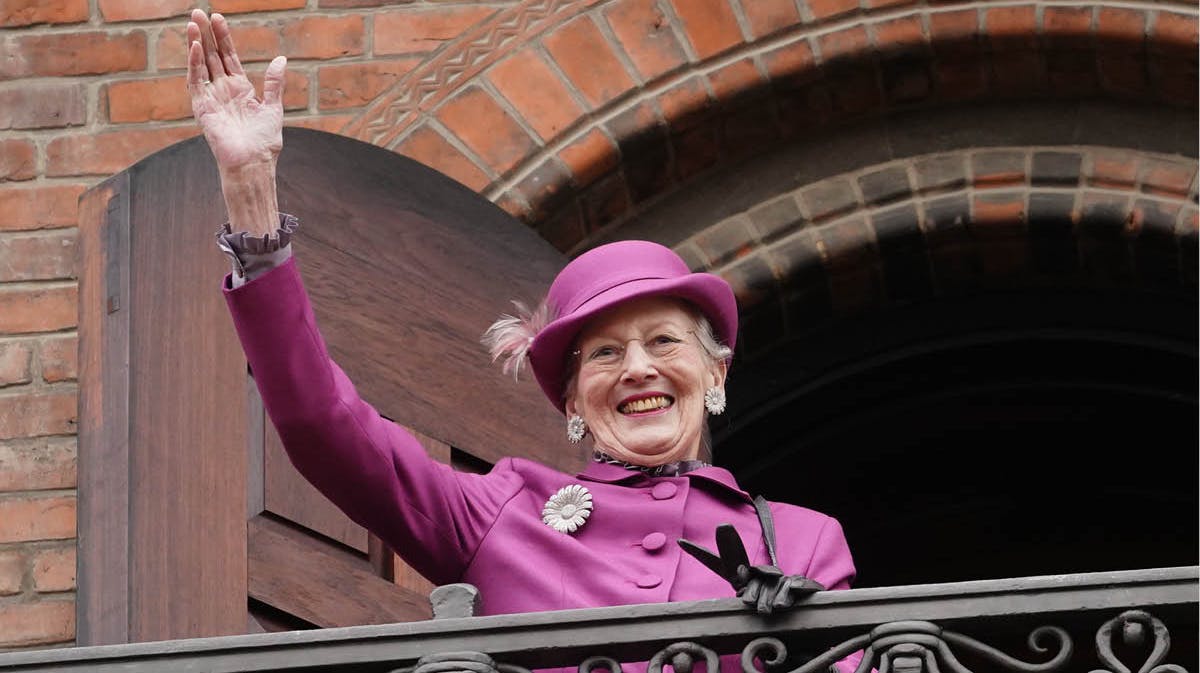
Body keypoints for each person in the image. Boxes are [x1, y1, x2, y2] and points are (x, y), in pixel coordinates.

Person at [185, 9, 861, 671]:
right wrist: (252, 197)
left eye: (663, 342)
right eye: (604, 352)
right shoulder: (502, 510)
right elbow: (322, 426)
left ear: (715, 374)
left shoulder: (803, 541)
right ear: (571, 400)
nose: (637, 368)